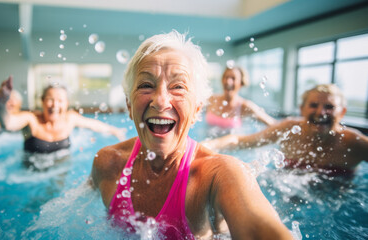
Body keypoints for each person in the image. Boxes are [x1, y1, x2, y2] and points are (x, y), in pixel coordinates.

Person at [89, 31, 292, 239]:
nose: (160, 101)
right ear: (129, 105)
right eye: (146, 85)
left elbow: (260, 229)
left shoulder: (218, 176)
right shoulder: (107, 164)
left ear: (196, 110)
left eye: (178, 87)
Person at [203, 84, 368, 175]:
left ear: (342, 112)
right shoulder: (289, 129)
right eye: (313, 105)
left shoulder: (355, 143)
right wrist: (205, 147)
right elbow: (241, 141)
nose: (320, 112)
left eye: (329, 107)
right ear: (302, 109)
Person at [0, 75, 126, 155]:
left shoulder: (70, 118)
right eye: (50, 99)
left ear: (67, 103)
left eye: (60, 101)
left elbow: (94, 124)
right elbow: (7, 124)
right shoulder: (31, 119)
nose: (55, 105)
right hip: (31, 174)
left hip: (59, 169)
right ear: (42, 101)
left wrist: (114, 130)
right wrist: (1, 103)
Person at [206, 66, 276, 130]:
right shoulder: (212, 99)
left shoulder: (244, 106)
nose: (228, 82)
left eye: (233, 78)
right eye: (226, 77)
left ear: (241, 83)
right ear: (222, 80)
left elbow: (272, 123)